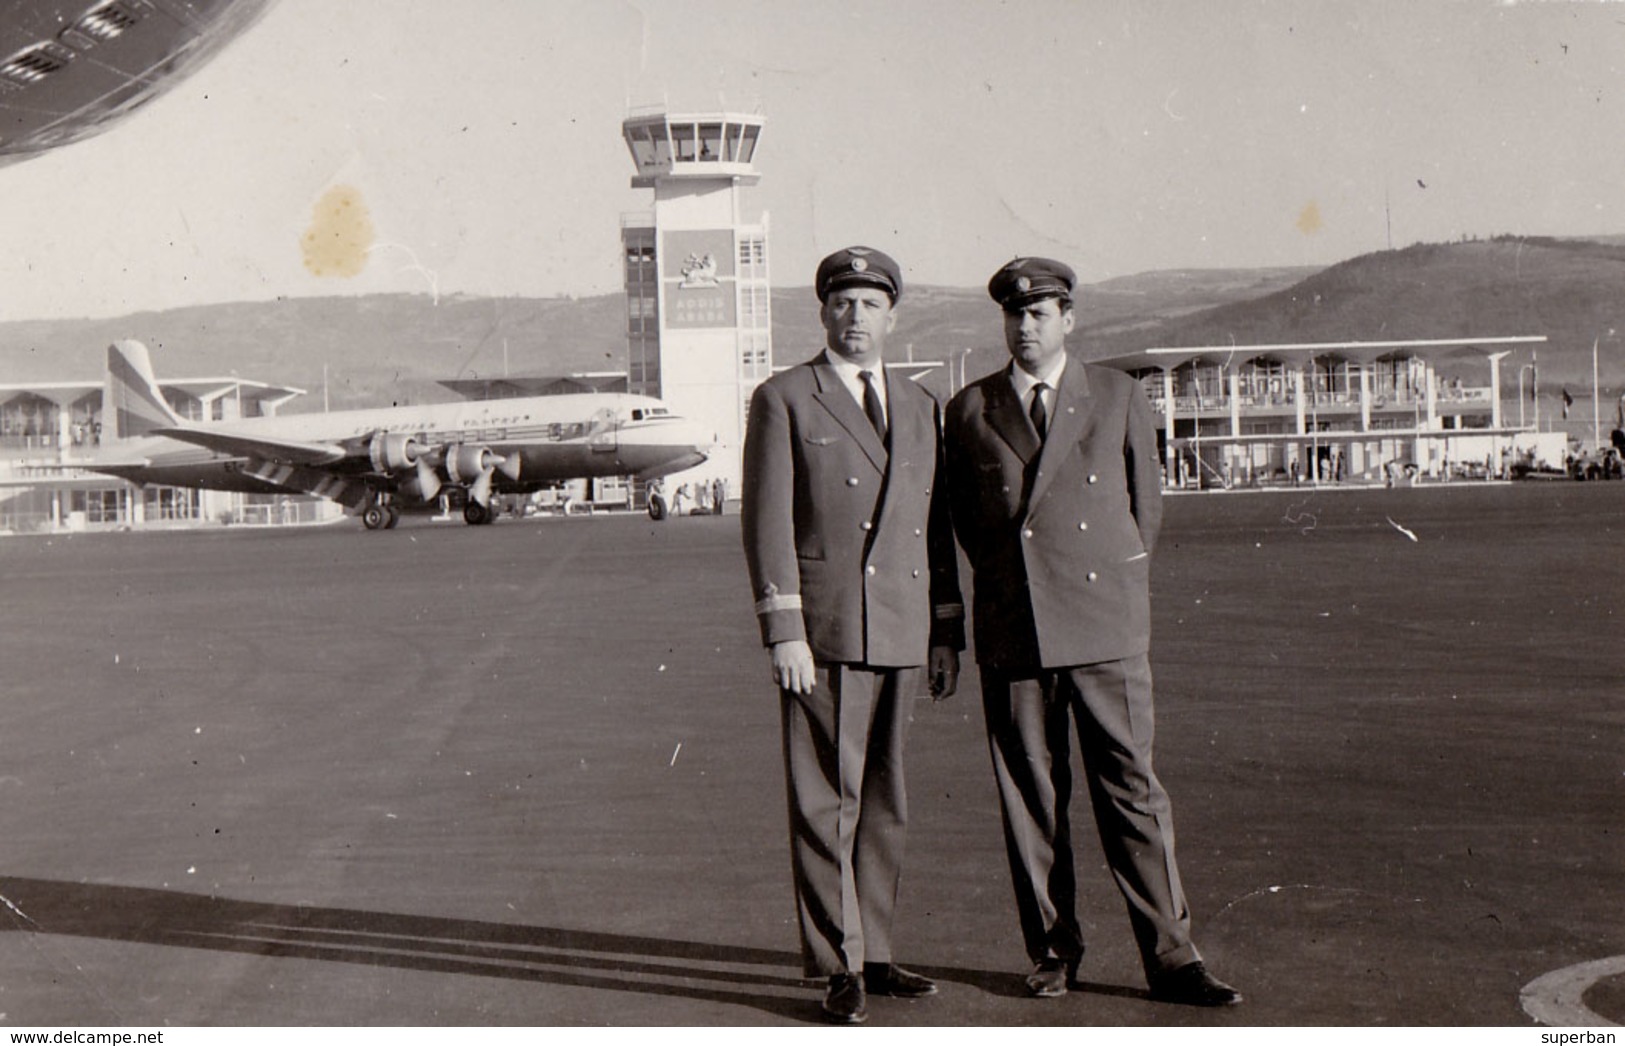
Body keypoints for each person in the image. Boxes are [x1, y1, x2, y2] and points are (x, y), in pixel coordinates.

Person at [943, 257, 1241, 1007]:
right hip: (1018, 630)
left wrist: (1105, 586)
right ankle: (1051, 951)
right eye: (1014, 315)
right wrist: (1022, 586)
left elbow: (1145, 510)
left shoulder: (1115, 394)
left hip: (1104, 626)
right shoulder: (970, 409)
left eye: (1040, 313)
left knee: (1133, 793)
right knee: (1031, 800)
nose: (1025, 326)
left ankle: (1173, 956)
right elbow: (971, 528)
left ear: (1068, 319)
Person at [741, 246, 964, 1024]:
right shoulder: (784, 398)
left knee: (885, 799)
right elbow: (766, 523)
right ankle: (836, 963)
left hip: (902, 628)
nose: (855, 317)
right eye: (841, 302)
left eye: (870, 304)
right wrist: (784, 630)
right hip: (829, 631)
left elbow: (933, 528)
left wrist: (945, 629)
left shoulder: (918, 404)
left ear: (892, 315)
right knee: (824, 799)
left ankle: (874, 949)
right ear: (823, 312)